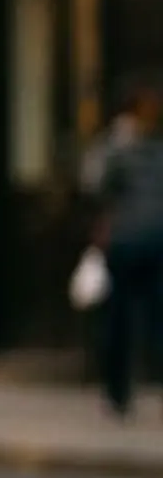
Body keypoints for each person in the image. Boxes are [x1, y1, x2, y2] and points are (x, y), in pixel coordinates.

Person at [93, 85, 163, 417]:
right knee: (120, 318)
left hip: (150, 241)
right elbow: (94, 181)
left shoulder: (150, 147)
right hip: (126, 243)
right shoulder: (119, 147)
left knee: (153, 320)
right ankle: (118, 391)